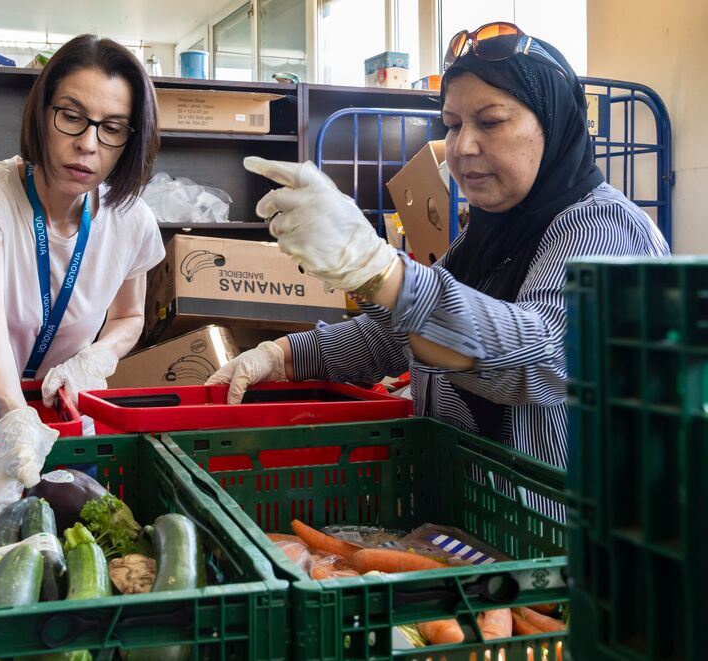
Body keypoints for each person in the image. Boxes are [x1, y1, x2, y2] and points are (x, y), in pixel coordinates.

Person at [207, 24, 669, 484]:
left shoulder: (604, 226)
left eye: (490, 121)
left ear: (553, 124)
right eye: (452, 124)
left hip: (561, 536)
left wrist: (381, 271)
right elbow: (400, 336)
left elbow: (539, 358)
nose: (463, 146)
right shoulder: (490, 233)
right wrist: (283, 355)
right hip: (472, 517)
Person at [0, 34, 164, 535]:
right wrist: (12, 419)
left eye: (112, 128)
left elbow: (129, 317)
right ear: (42, 112)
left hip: (60, 420)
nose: (88, 143)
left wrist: (96, 358)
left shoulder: (132, 219)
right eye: (72, 116)